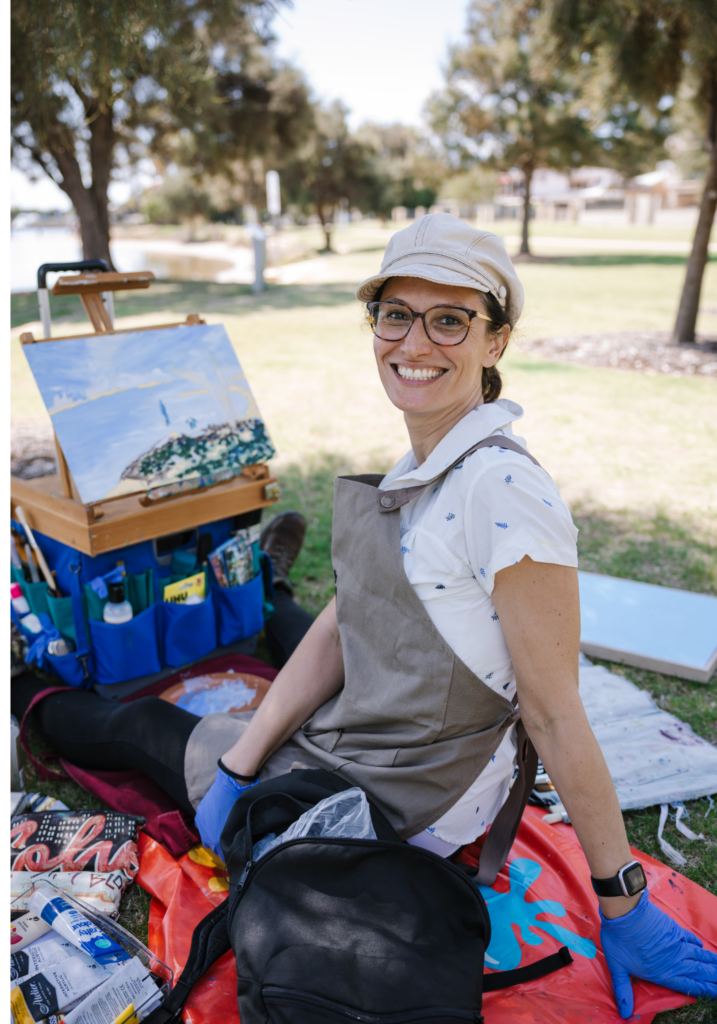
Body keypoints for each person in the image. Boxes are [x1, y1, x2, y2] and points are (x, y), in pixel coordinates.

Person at [14, 215, 716, 1019]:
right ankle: (272, 593)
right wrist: (242, 763)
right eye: (395, 314)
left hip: (398, 794)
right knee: (316, 627)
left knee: (142, 726)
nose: (413, 341)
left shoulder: (505, 494)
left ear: (495, 341)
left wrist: (622, 901)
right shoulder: (431, 454)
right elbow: (354, 616)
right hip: (390, 719)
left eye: (449, 320)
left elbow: (556, 714)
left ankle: (23, 685)